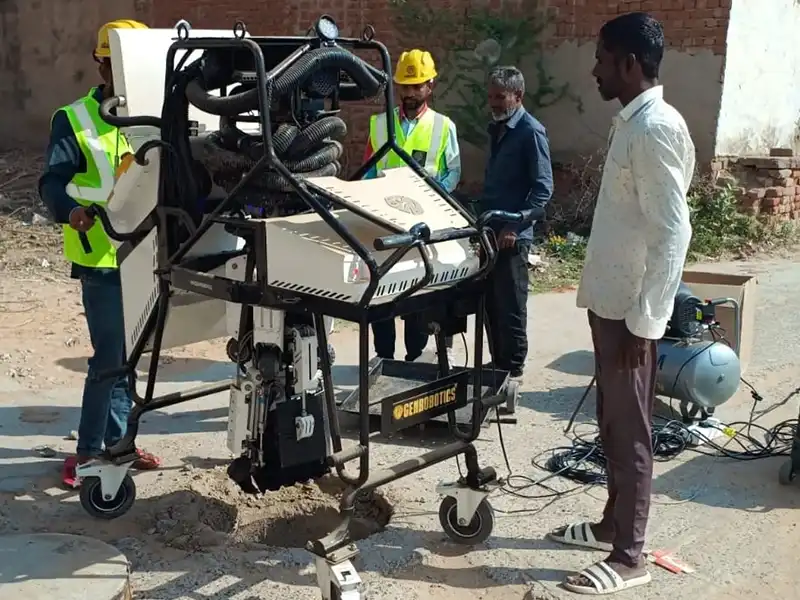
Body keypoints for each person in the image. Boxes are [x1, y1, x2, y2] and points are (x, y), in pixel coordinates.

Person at [548, 13, 695, 595]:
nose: (594, 69)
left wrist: (647, 320)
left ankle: (629, 555)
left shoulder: (655, 127)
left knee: (631, 430)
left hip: (632, 314)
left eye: (603, 57)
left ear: (630, 64)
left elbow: (673, 232)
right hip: (613, 304)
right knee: (611, 423)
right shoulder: (633, 122)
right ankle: (611, 524)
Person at [38, 19, 162, 489]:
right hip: (102, 256)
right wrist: (70, 212)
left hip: (148, 254)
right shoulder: (74, 118)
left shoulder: (157, 115)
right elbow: (52, 181)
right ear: (102, 63)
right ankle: (89, 452)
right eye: (117, 64)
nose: (125, 74)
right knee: (110, 357)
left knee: (132, 357)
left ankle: (119, 445)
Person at [364, 49, 461, 366]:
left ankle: (415, 357)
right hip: (383, 224)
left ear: (430, 86)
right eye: (404, 86)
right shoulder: (379, 125)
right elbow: (367, 171)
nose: (409, 93)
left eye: (416, 86)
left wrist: (433, 196)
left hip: (422, 227)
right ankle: (384, 358)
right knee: (381, 294)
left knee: (417, 292)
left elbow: (452, 172)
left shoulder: (443, 127)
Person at [479, 66, 553, 381]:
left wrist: (515, 225)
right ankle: (498, 365)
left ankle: (512, 370)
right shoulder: (499, 128)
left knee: (510, 306)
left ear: (518, 96)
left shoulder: (530, 132)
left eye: (500, 97)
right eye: (491, 96)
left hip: (512, 236)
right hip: (489, 232)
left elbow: (543, 190)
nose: (493, 102)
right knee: (490, 305)